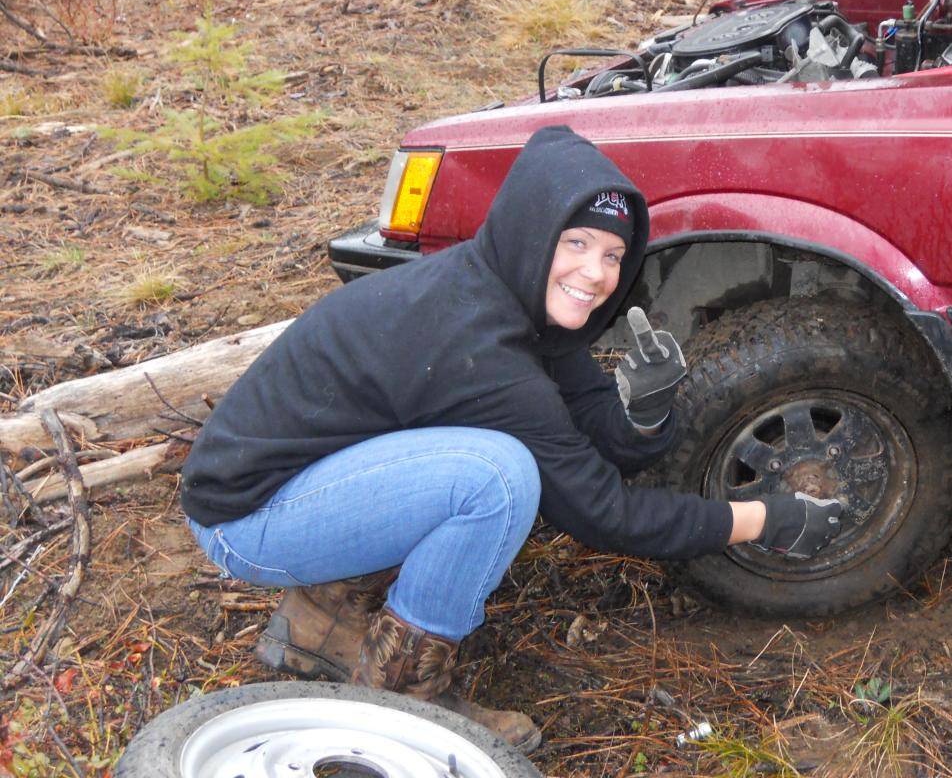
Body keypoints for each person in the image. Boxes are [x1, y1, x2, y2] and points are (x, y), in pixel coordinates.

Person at [180, 125, 844, 752]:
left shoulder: (504, 290)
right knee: (496, 477)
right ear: (534, 230)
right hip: (251, 522)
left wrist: (645, 408)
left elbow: (598, 437)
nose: (596, 273)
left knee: (487, 462)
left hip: (302, 482)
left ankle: (320, 626)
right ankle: (403, 689)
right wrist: (767, 518)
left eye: (614, 254)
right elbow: (605, 514)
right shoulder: (481, 348)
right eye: (576, 244)